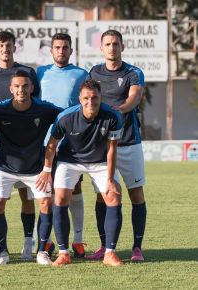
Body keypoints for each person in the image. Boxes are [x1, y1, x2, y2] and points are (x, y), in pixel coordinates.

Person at [43, 79, 124, 266]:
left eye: (94, 97)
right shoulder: (65, 117)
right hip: (69, 161)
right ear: (79, 99)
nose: (90, 102)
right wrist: (47, 170)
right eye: (86, 98)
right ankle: (63, 253)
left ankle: (110, 253)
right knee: (61, 198)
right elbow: (52, 145)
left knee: (113, 196)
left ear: (100, 97)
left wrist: (111, 179)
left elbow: (112, 149)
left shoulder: (113, 116)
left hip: (100, 161)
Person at [0, 70, 61, 265]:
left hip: (36, 168)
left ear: (32, 88)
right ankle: (3, 252)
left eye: (25, 86)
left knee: (46, 204)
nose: (21, 90)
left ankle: (41, 252)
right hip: (5, 167)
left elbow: (67, 118)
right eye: (17, 86)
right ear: (11, 89)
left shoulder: (45, 109)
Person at [0, 31, 41, 260]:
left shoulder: (27, 74)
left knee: (27, 197)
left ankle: (28, 242)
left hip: (27, 148)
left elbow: (37, 108)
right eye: (1, 45)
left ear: (15, 47)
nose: (5, 49)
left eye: (9, 45)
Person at [87, 30, 147, 262]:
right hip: (102, 145)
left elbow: (134, 99)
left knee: (136, 194)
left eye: (115, 44)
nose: (112, 48)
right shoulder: (94, 72)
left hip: (129, 142)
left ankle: (137, 248)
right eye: (107, 44)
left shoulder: (134, 72)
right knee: (104, 195)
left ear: (122, 46)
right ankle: (104, 246)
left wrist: (113, 113)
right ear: (101, 48)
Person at [36, 33, 88, 258]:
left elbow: (85, 105)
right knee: (45, 191)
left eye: (65, 47)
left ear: (71, 50)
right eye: (57, 47)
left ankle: (77, 240)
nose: (61, 51)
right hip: (46, 141)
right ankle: (45, 241)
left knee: (73, 189)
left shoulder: (81, 74)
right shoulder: (40, 73)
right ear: (51, 50)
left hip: (72, 141)